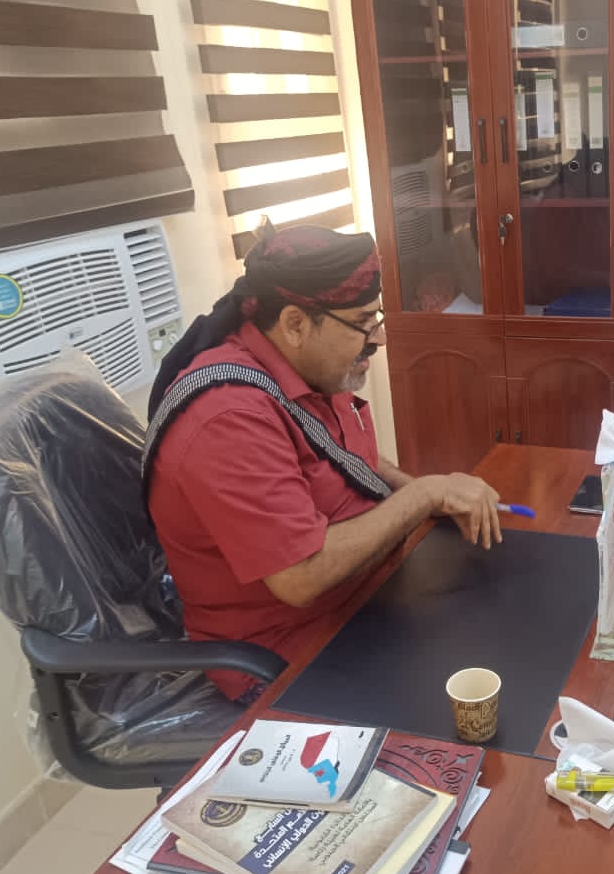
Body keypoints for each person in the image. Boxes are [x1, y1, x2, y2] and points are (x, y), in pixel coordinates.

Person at [143, 223, 502, 701]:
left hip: (371, 600)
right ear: (295, 324)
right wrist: (423, 493)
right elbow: (301, 575)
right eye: (363, 322)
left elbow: (351, 459)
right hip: (296, 657)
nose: (378, 339)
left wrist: (432, 494)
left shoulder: (308, 367)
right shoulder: (227, 419)